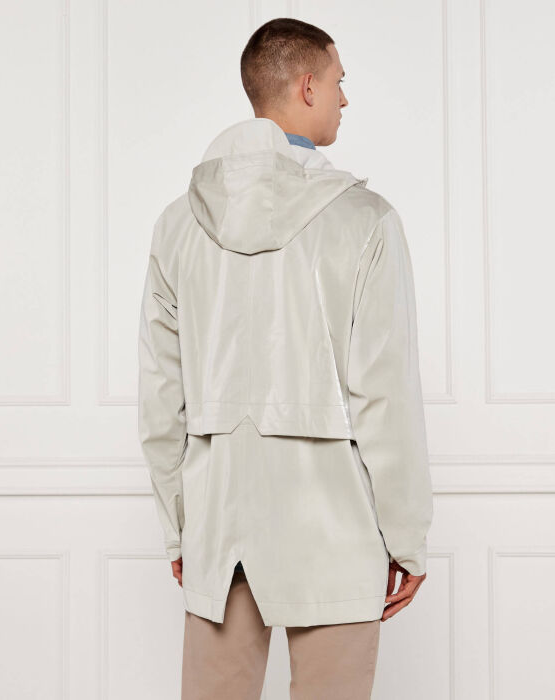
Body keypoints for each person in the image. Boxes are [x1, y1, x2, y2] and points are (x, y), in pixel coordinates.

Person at [137, 16, 434, 700]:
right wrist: (407, 536)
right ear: (307, 86)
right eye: (338, 82)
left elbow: (160, 397)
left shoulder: (178, 224)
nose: (344, 98)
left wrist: (181, 529)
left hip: (220, 532)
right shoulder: (366, 221)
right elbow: (385, 395)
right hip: (335, 530)